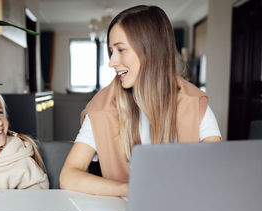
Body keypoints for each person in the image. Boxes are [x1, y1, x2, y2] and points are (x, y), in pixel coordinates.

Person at [60, 5, 221, 197]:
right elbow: (68, 176)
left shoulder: (194, 104)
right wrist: (130, 189)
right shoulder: (102, 108)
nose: (111, 61)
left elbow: (216, 174)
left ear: (150, 50)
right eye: (111, 51)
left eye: (121, 49)